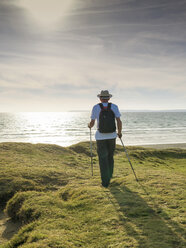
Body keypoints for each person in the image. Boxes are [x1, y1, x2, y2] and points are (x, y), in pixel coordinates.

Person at [88, 90, 122, 187]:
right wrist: (119, 133)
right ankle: (110, 176)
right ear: (109, 98)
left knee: (103, 159)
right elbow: (119, 121)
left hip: (100, 137)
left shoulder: (96, 107)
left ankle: (105, 182)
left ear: (100, 98)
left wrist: (89, 126)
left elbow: (92, 123)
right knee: (110, 156)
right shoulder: (114, 107)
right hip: (112, 136)